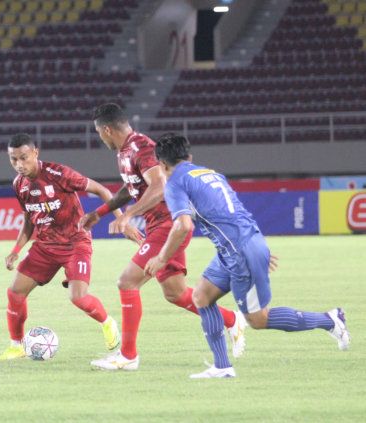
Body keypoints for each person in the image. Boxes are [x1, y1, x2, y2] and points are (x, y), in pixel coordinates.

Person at [145, 133, 350, 378]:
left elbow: (183, 226)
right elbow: (235, 211)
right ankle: (222, 367)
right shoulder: (209, 174)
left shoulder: (175, 182)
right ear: (189, 157)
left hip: (240, 252)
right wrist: (256, 245)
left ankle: (330, 320)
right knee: (201, 296)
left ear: (162, 165)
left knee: (258, 319)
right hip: (238, 247)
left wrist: (161, 258)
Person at [83, 103, 245, 371]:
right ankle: (231, 320)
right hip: (158, 225)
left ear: (107, 130)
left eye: (99, 134)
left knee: (126, 282)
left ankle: (128, 356)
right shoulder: (125, 152)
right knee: (176, 293)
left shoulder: (142, 148)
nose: (100, 139)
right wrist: (101, 212)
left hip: (169, 224)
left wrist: (127, 216)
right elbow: (131, 189)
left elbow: (160, 185)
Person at [0, 133, 132, 360]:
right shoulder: (19, 185)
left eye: (23, 158)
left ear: (35, 153)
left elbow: (103, 191)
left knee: (78, 297)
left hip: (75, 242)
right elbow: (29, 220)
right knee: (15, 293)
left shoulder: (59, 174)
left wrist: (122, 219)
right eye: (13, 160)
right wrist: (15, 250)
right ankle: (16, 345)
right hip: (45, 247)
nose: (19, 165)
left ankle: (107, 322)